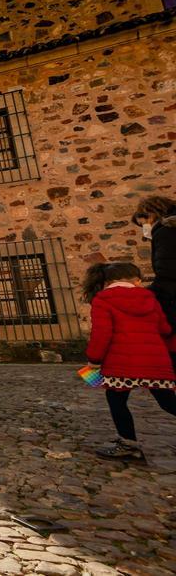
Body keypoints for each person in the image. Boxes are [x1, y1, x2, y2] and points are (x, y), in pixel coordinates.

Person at [82, 261, 176, 461]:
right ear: (136, 280)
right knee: (167, 401)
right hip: (155, 362)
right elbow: (165, 330)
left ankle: (128, 444)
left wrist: (94, 360)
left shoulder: (103, 299)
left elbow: (102, 334)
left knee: (116, 400)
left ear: (106, 281)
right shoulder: (150, 298)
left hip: (120, 364)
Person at [131, 196, 176, 330]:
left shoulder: (166, 232)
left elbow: (168, 270)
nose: (144, 230)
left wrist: (149, 293)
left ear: (150, 215)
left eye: (143, 224)